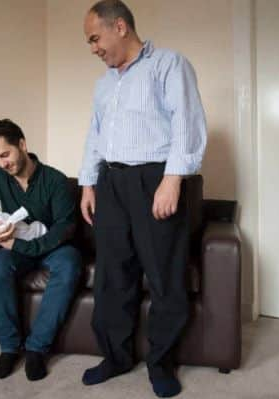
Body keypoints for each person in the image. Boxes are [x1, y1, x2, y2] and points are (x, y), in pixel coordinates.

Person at [78, 1, 207, 397]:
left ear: (120, 27)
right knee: (113, 275)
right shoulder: (104, 84)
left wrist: (173, 180)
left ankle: (161, 362)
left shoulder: (169, 64)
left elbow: (187, 122)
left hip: (155, 178)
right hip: (111, 182)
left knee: (165, 276)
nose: (93, 48)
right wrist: (88, 183)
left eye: (95, 38)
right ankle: (116, 357)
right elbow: (95, 135)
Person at [0, 118, 81, 381]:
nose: (2, 164)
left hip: (53, 247)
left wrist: (26, 246)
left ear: (22, 145)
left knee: (69, 265)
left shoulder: (55, 180)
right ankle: (9, 348)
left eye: (5, 155)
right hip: (15, 247)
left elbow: (64, 227)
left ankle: (36, 349)